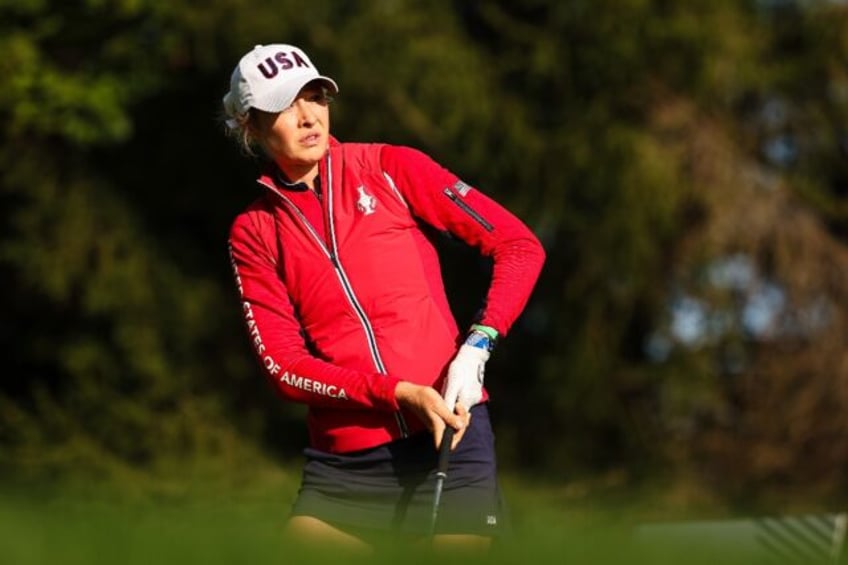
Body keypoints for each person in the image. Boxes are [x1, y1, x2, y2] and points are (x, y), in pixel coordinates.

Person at [221, 44, 545, 551]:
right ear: (252, 127)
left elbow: (519, 246)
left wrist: (477, 344)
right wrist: (397, 393)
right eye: (286, 105)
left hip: (451, 434)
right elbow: (284, 366)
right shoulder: (255, 231)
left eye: (315, 96)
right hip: (348, 461)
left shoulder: (389, 167)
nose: (308, 116)